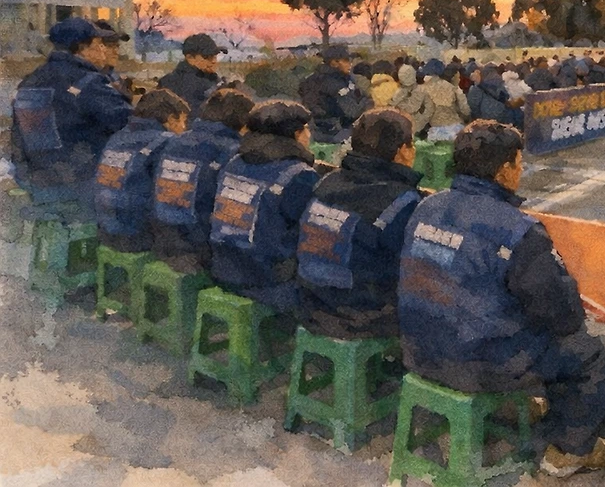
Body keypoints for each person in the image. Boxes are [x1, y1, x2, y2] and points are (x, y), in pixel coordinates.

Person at [399, 120, 605, 476]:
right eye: (518, 163)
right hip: (478, 365)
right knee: (600, 343)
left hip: (416, 348)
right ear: (504, 170)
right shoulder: (519, 230)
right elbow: (563, 315)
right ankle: (570, 451)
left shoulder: (426, 206)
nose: (520, 171)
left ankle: (524, 404)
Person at [297, 108, 423, 339]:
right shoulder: (402, 201)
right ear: (402, 151)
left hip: (309, 302)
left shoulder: (328, 181)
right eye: (411, 144)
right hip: (359, 316)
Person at [10, 17, 134, 220]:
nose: (104, 50)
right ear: (82, 48)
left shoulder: (29, 83)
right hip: (85, 190)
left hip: (39, 186)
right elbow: (129, 125)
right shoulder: (89, 84)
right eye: (99, 44)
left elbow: (18, 140)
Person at [208, 100, 320, 313]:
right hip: (270, 284)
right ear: (296, 134)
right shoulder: (299, 175)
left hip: (223, 270)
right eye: (306, 129)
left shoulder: (233, 162)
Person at [151, 87, 256, 273]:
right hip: (200, 251)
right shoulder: (232, 152)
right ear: (243, 124)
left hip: (163, 240)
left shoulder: (175, 142)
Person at [95, 88, 189, 253]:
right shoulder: (167, 142)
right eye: (183, 121)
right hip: (139, 235)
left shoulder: (118, 137)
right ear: (170, 119)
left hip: (106, 229)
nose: (184, 127)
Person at [298, 44, 372, 143]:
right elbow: (352, 112)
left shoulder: (315, 78)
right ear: (334, 63)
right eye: (346, 60)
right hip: (334, 134)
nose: (350, 64)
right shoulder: (333, 83)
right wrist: (368, 101)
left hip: (316, 131)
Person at [158, 33, 227, 118]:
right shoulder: (182, 82)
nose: (213, 61)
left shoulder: (209, 77)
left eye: (215, 56)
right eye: (206, 57)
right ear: (190, 57)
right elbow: (192, 114)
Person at [419, 59, 470, 141]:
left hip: (435, 130)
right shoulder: (452, 88)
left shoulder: (422, 89)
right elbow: (465, 110)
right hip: (455, 128)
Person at [388, 63, 435, 137]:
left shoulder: (398, 92)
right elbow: (430, 108)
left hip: (409, 124)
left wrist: (422, 120)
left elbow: (430, 108)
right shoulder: (421, 90)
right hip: (407, 124)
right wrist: (423, 120)